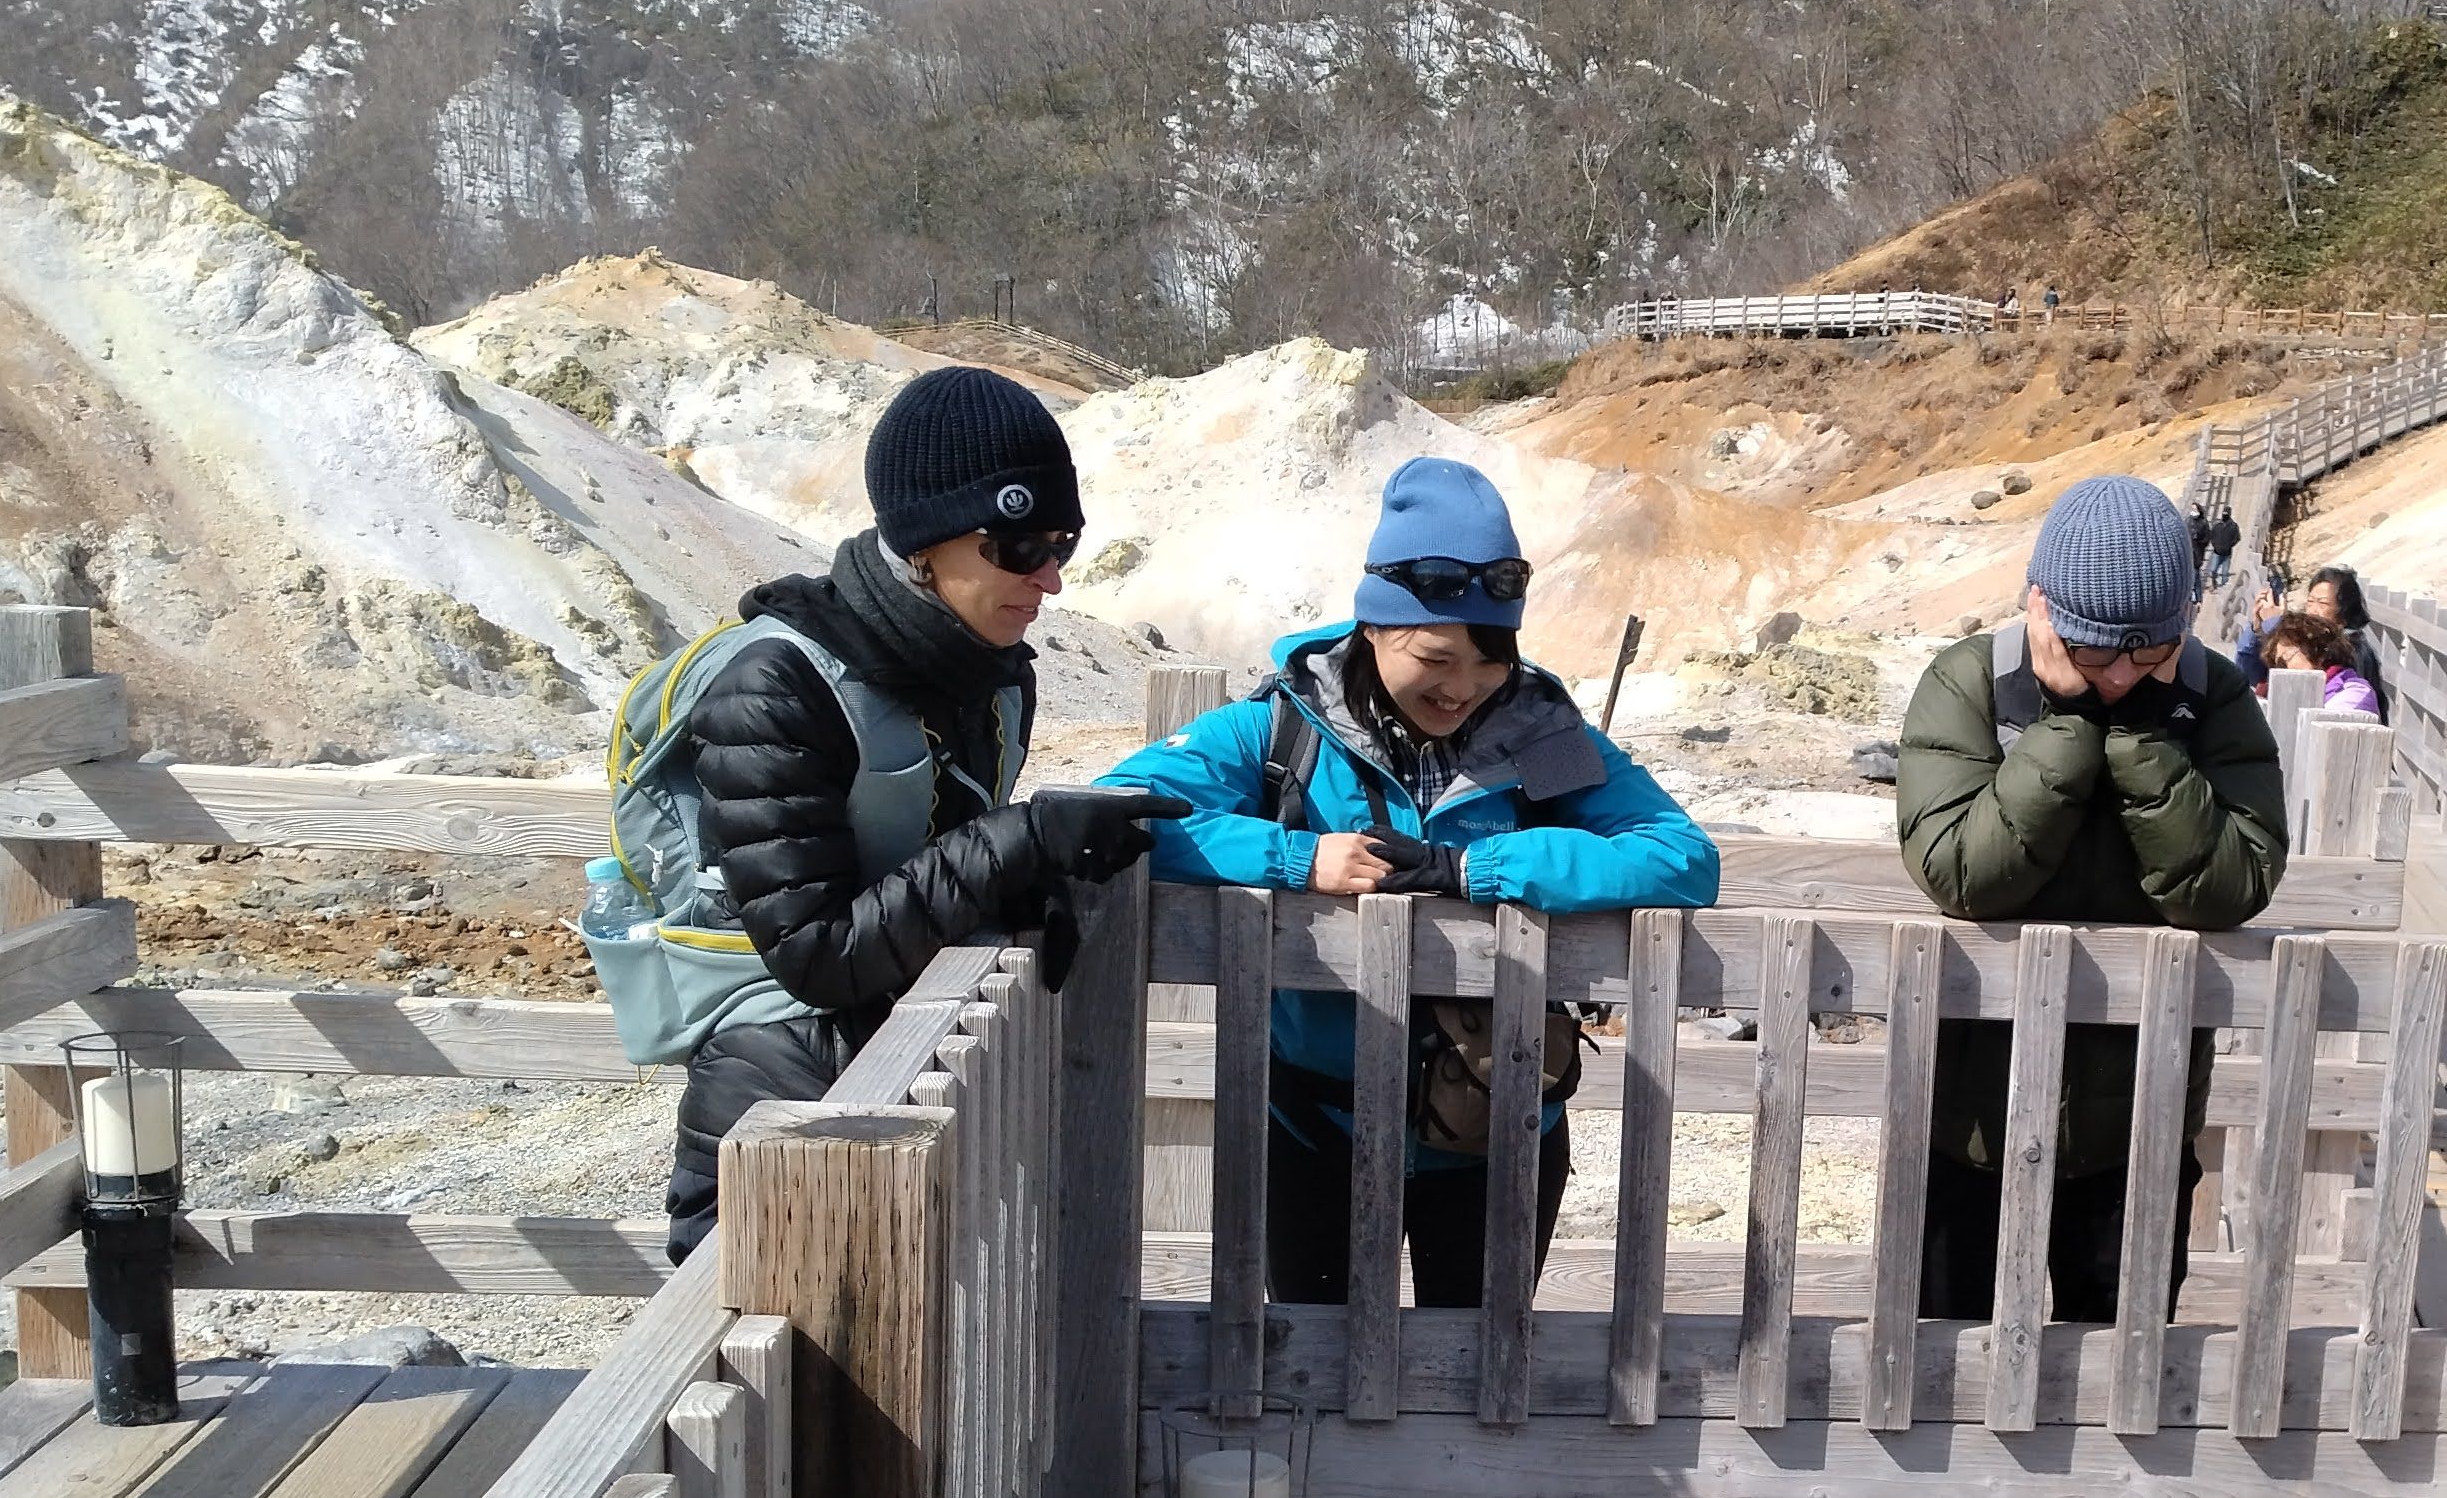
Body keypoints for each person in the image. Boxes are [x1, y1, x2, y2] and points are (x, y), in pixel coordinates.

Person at [1105, 456, 1718, 1307]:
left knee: (1479, 1376)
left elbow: (1682, 856)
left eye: (1489, 662)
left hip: (1500, 1126)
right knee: (1308, 1371)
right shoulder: (1281, 727)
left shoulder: (1541, 734)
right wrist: (1296, 859)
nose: (1462, 688)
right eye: (1437, 654)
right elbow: (1118, 812)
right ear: (1374, 624)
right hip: (1316, 1125)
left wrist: (1478, 869)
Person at [664, 365, 1178, 1259]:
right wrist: (1011, 845)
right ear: (924, 544)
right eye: (1018, 547)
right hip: (781, 1110)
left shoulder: (986, 669)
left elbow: (922, 868)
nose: (1050, 580)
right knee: (761, 1380)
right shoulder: (773, 687)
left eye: (1062, 544)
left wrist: (1030, 881)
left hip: (904, 1077)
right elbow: (816, 955)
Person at [1895, 471, 2288, 1322]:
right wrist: (2068, 728)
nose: (2118, 678)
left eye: (2147, 654)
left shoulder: (2210, 695)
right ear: (2040, 609)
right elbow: (1962, 873)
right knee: (1943, 1365)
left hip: (2139, 1119)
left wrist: (2141, 745)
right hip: (1972, 1119)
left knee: (2123, 1371)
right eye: (2093, 653)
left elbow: (2234, 884)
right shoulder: (1970, 683)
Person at [2255, 606, 2384, 718]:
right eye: (2278, 665)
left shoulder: (2354, 691)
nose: (2282, 669)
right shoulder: (2301, 696)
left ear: (2316, 649)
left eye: (2286, 658)